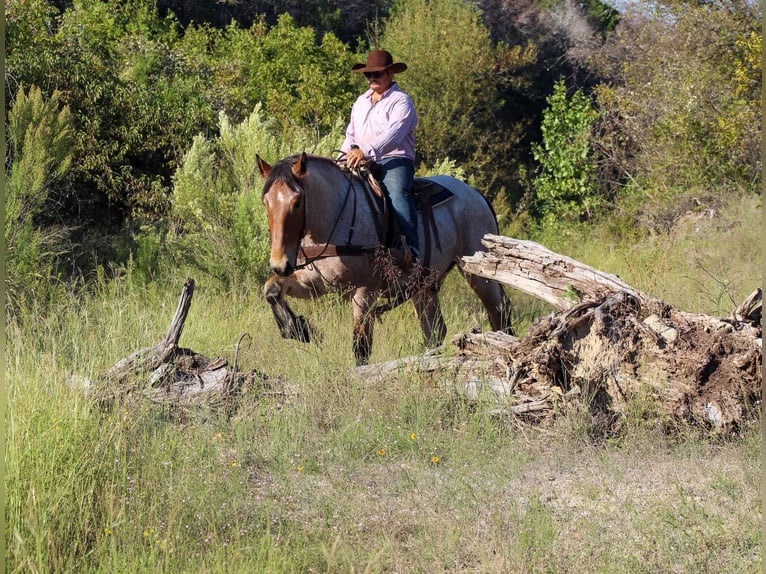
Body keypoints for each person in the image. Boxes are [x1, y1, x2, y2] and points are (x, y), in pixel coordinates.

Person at [340, 49, 419, 263]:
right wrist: (341, 158)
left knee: (396, 193)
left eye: (378, 73)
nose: (372, 78)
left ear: (391, 73)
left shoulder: (401, 102)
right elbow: (351, 135)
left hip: (394, 160)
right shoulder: (360, 102)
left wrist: (366, 152)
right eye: (369, 74)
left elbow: (393, 135)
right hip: (360, 159)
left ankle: (412, 250)